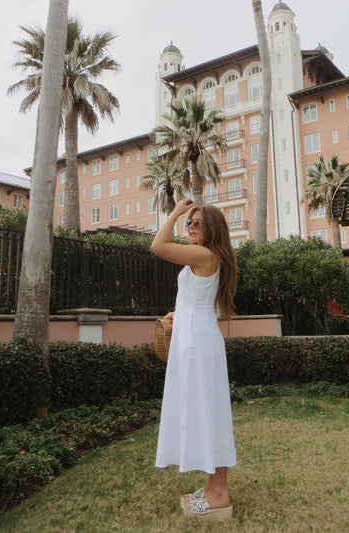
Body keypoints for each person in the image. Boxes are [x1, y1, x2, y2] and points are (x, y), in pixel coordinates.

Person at [151, 198, 237, 521]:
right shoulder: (207, 257)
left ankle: (219, 495)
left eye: (196, 222)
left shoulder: (205, 255)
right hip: (195, 339)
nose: (190, 226)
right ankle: (214, 486)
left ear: (211, 228)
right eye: (189, 221)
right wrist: (180, 312)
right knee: (206, 413)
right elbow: (200, 298)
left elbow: (158, 245)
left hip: (198, 345)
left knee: (209, 414)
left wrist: (175, 212)